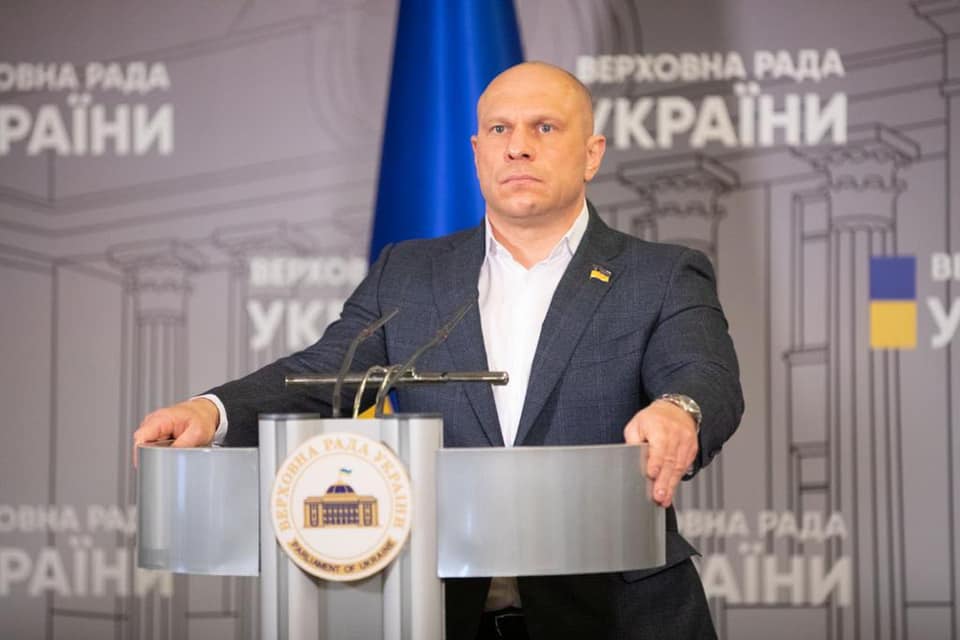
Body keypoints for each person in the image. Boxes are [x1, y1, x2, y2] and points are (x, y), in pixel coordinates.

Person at [133, 61, 743, 640]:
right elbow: (325, 375)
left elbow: (705, 374)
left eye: (544, 128)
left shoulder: (660, 274)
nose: (518, 146)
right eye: (499, 129)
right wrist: (211, 412)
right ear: (477, 152)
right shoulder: (410, 272)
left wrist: (679, 411)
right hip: (447, 613)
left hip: (619, 612)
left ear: (592, 154)